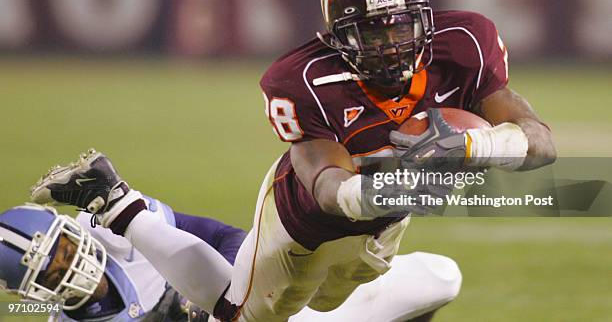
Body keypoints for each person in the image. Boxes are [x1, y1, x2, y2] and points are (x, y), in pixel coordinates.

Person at [30, 0, 555, 321]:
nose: (391, 45)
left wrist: (475, 144)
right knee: (244, 315)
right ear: (337, 37)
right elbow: (324, 186)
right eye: (372, 33)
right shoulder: (302, 79)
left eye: (399, 27)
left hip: (381, 229)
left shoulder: (465, 42)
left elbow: (542, 144)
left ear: (424, 21)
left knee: (343, 299)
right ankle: (120, 206)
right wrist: (387, 183)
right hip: (302, 219)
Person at [0, 202, 460, 322]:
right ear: (34, 292)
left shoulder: (109, 228)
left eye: (62, 248)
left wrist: (238, 290)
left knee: (438, 277)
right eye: (52, 270)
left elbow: (217, 235)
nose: (70, 264)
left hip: (265, 315)